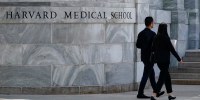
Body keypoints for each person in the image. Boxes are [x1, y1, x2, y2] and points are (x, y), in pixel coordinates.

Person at [150, 23, 183, 100]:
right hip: (165, 61)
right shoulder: (166, 38)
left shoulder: (155, 37)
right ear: (165, 29)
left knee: (167, 77)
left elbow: (152, 49)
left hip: (158, 61)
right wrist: (179, 59)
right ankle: (154, 94)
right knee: (162, 78)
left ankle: (170, 94)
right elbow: (172, 50)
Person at [136, 16, 164, 99]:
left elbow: (138, 45)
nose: (154, 23)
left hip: (144, 57)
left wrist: (145, 46)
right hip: (150, 58)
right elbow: (156, 47)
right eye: (153, 22)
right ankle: (140, 93)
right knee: (146, 75)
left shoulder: (141, 33)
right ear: (151, 23)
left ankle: (156, 91)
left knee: (151, 74)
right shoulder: (153, 34)